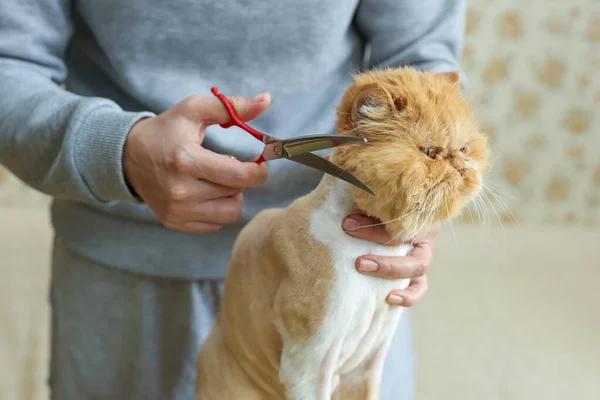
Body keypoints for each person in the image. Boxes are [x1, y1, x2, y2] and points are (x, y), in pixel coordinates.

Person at [0, 0, 464, 398]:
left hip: (361, 268)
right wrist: (116, 149)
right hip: (126, 296)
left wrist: (422, 192)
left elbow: (425, 64)